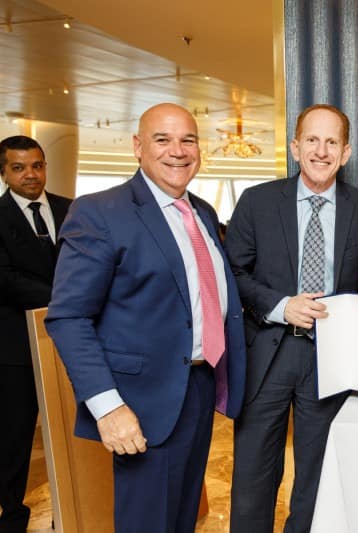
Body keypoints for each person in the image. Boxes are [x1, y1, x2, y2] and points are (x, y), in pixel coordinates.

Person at [45, 103, 246, 533]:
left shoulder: (203, 213)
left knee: (181, 518)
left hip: (198, 386)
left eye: (188, 139)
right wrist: (108, 407)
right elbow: (68, 317)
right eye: (163, 139)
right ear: (138, 147)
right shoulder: (100, 213)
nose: (178, 150)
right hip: (138, 403)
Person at [226, 103, 358, 532]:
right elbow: (234, 275)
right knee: (253, 479)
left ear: (347, 151)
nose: (322, 151)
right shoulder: (257, 201)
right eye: (313, 141)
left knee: (317, 480)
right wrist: (282, 306)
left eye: (332, 142)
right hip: (267, 352)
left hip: (331, 361)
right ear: (295, 147)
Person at [0, 136, 71, 533]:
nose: (31, 174)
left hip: (71, 340)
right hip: (15, 348)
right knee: (14, 437)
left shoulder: (71, 209)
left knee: (72, 431)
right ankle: (12, 516)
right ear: (5, 172)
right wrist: (70, 296)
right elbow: (5, 280)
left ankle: (72, 512)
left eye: (37, 165)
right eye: (19, 167)